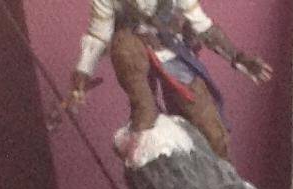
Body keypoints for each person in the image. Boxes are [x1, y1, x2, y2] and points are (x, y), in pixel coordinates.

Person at [57, 0, 270, 162]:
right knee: (125, 49)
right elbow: (98, 36)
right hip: (133, 51)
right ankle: (143, 119)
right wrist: (82, 76)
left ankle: (222, 181)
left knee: (211, 130)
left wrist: (237, 57)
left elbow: (202, 26)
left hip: (169, 50)